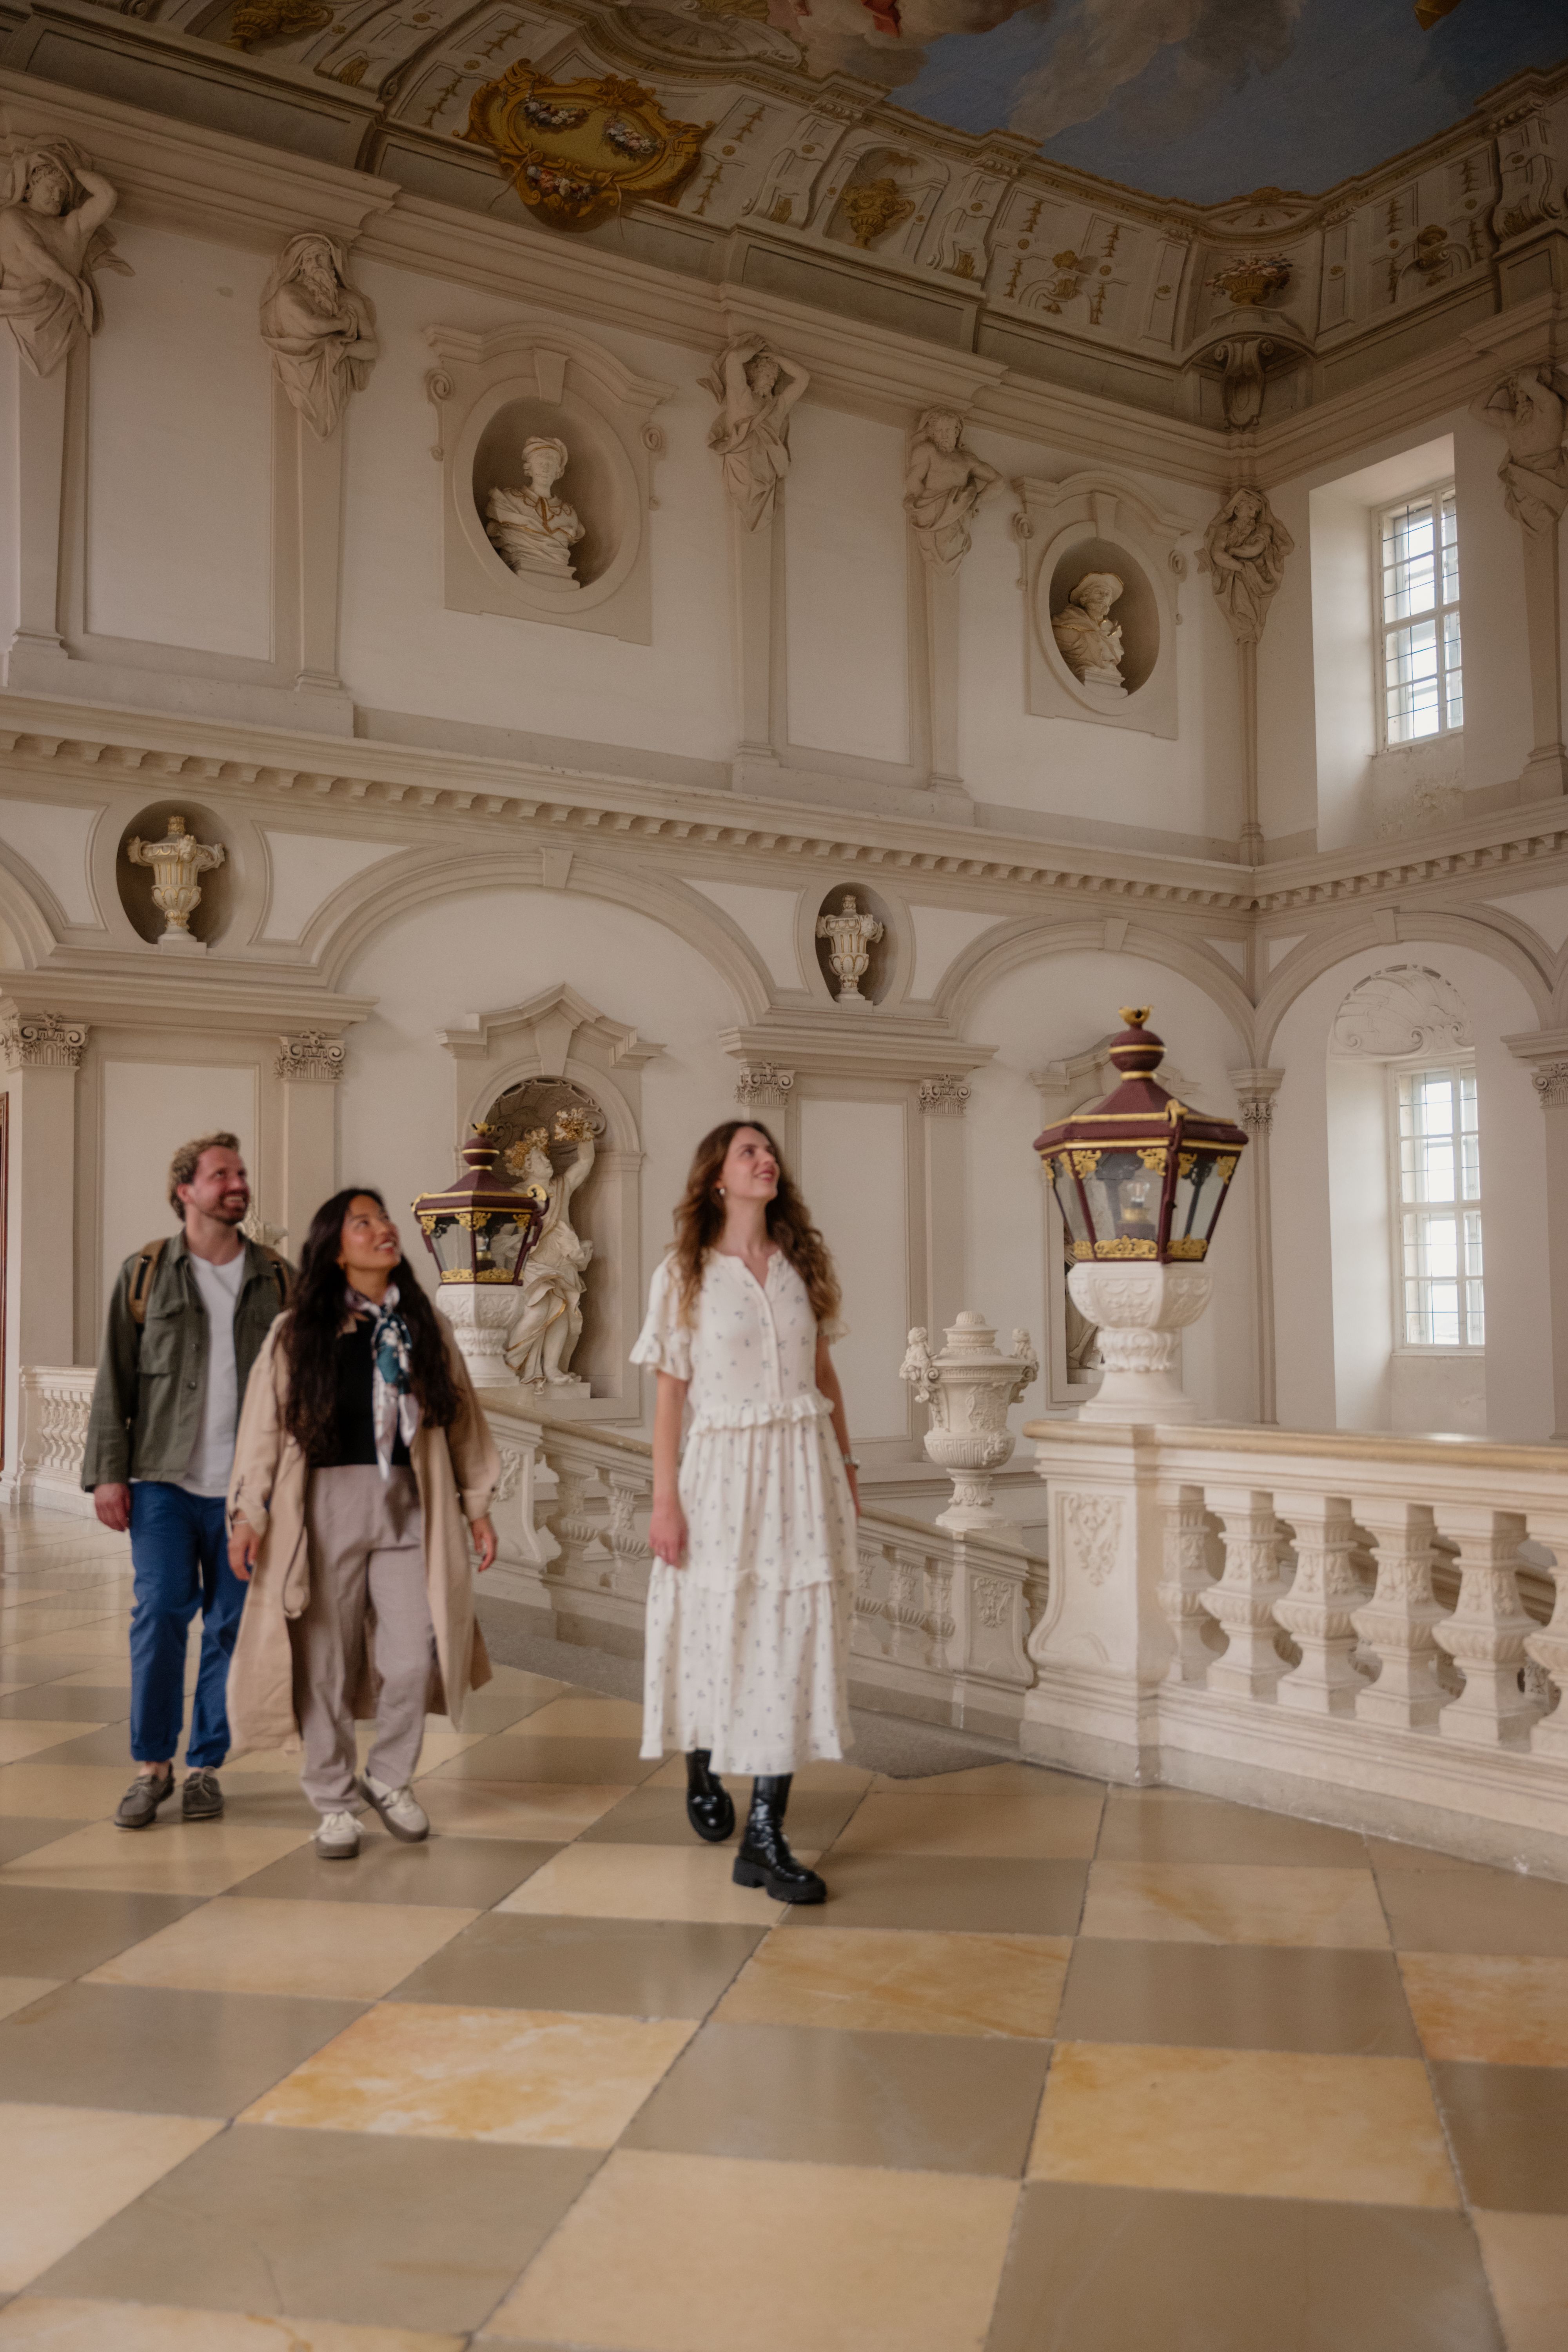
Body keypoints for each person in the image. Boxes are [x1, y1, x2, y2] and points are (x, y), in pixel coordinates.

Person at [224, 1189, 500, 1860]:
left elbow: (462, 1420)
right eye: (364, 1222)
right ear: (336, 1248)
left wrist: (478, 1504)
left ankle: (389, 1777)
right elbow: (263, 1429)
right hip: (322, 1512)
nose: (384, 1229)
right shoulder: (297, 1333)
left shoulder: (425, 1327)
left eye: (384, 1218)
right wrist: (248, 1513)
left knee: (413, 1658)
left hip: (410, 1508)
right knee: (323, 1663)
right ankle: (333, 1801)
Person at [633, 1120, 860, 1905]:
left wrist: (847, 1467)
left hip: (802, 1472)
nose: (766, 1160)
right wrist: (664, 1500)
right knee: (717, 1625)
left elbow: (824, 1374)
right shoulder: (683, 1274)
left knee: (789, 1636)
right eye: (748, 1152)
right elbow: (669, 1398)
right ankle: (702, 1757)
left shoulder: (803, 1264)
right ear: (718, 1178)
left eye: (769, 1151)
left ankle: (764, 1833)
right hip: (721, 1477)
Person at [83, 1132, 293, 1830]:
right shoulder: (144, 1273)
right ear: (186, 1191)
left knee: (231, 1626)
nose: (238, 1184)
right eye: (221, 1174)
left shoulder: (279, 1278)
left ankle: (206, 1767)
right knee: (160, 1614)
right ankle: (152, 1767)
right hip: (162, 1483)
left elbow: (304, 1386)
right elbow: (114, 1379)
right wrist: (108, 1474)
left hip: (248, 1494)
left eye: (241, 1173)